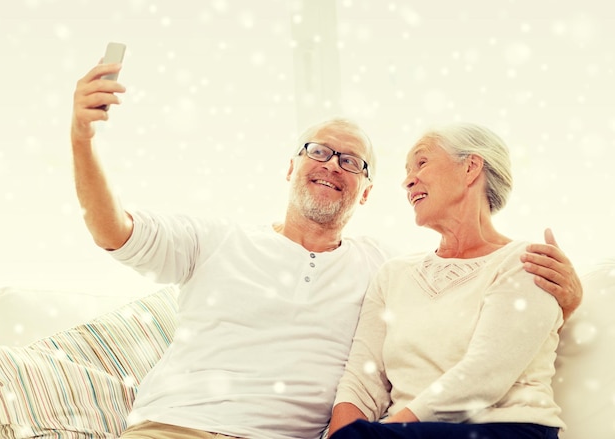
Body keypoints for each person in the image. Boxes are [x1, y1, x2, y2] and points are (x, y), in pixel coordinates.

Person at [71, 60, 581, 439]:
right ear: (291, 167)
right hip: (175, 427)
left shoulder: (382, 263)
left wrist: (568, 300)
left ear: (365, 192)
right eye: (318, 151)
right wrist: (81, 139)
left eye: (352, 162)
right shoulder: (218, 239)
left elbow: (479, 332)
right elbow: (111, 229)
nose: (333, 164)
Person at [328, 123, 571, 439]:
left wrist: (376, 435)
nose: (407, 180)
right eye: (407, 171)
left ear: (470, 167)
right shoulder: (392, 274)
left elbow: (483, 378)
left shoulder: (525, 261)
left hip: (506, 430)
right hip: (406, 433)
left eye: (422, 162)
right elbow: (362, 380)